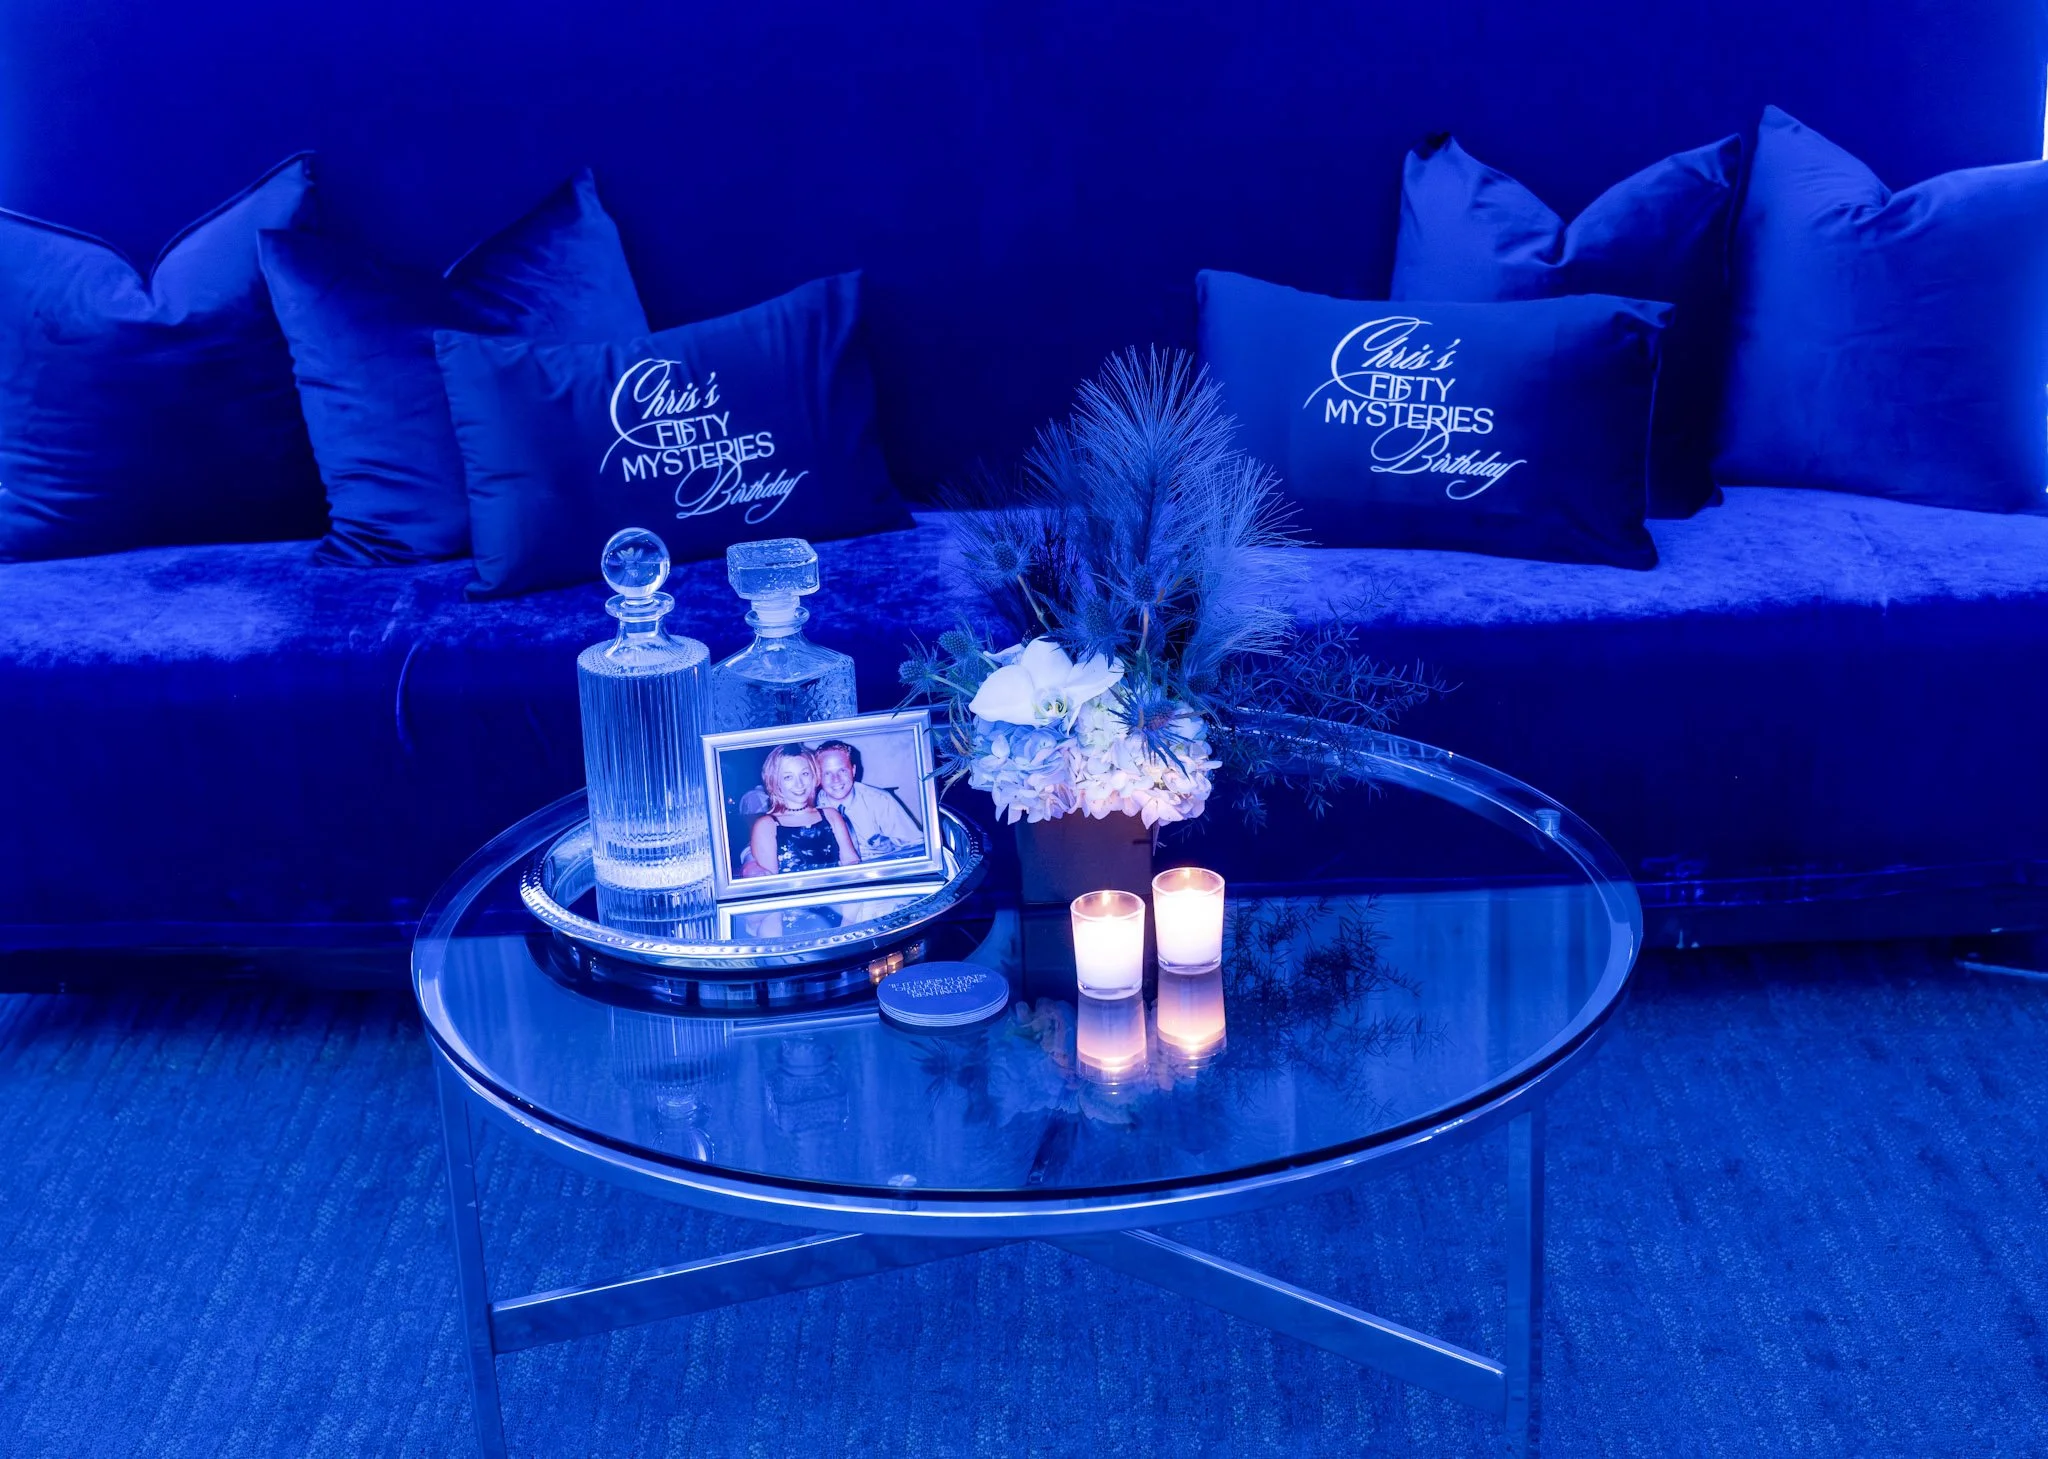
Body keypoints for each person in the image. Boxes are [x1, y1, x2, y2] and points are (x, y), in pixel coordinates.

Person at [742, 745, 858, 877]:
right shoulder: (766, 825)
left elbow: (851, 863)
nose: (799, 784)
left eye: (805, 774)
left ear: (815, 776)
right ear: (775, 782)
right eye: (788, 777)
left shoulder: (831, 815)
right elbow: (770, 885)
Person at [814, 739, 926, 861]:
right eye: (827, 773)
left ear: (853, 770)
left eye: (842, 770)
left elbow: (919, 845)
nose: (836, 779)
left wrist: (893, 845)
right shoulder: (810, 809)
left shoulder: (880, 800)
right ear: (818, 776)